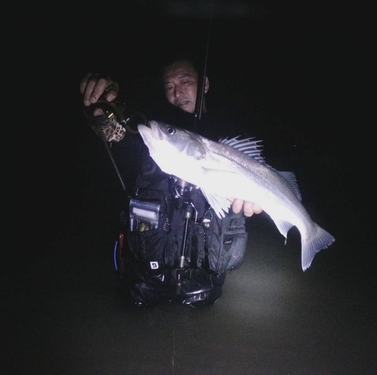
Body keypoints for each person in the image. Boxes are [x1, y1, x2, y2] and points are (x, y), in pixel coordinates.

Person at [80, 55, 263, 306]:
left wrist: (255, 201)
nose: (177, 93)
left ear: (205, 84)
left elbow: (256, 183)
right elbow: (117, 133)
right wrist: (103, 104)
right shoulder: (154, 137)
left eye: (185, 81)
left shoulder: (232, 138)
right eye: (168, 87)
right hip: (144, 282)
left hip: (204, 285)